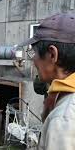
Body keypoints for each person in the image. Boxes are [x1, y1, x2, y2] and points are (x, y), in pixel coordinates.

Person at [19, 13, 75, 150]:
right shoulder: (62, 96)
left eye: (34, 53)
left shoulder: (64, 119)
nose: (33, 61)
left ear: (52, 54)